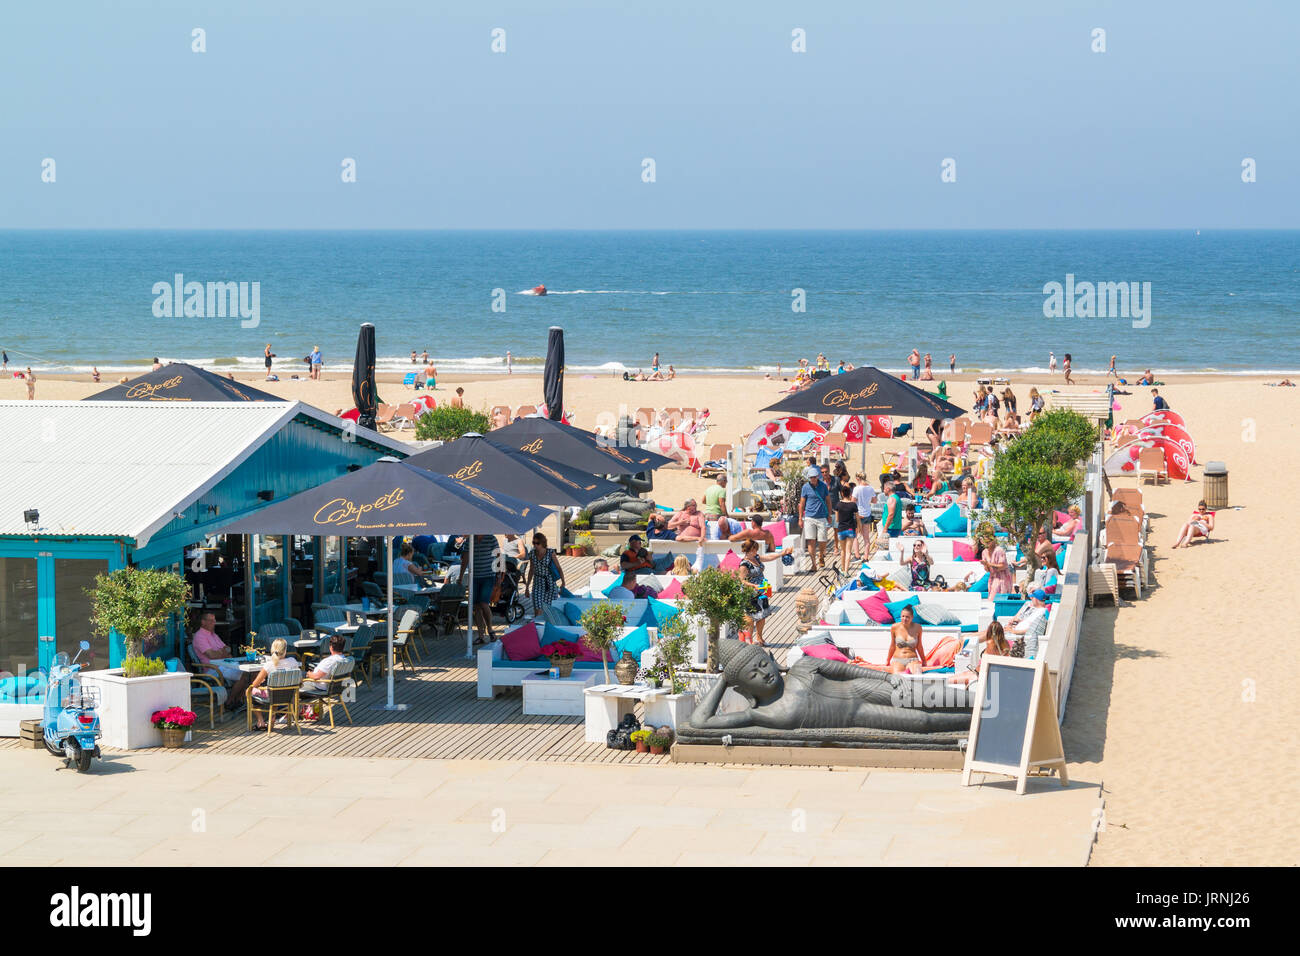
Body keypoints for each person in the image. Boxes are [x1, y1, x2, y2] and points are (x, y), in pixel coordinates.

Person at [191, 611, 254, 714]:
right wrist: (223, 653)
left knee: (250, 673)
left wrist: (221, 652)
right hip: (212, 669)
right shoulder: (200, 636)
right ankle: (230, 702)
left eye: (214, 620)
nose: (214, 623)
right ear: (203, 622)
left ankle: (237, 700)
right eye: (211, 621)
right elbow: (212, 655)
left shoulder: (213, 635)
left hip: (224, 665)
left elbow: (227, 648)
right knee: (246, 674)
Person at [736, 538, 789, 646]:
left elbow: (769, 557)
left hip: (761, 591)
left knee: (762, 615)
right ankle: (749, 642)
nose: (756, 551)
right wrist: (753, 585)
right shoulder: (744, 565)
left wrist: (781, 554)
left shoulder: (756, 558)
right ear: (749, 550)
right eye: (755, 549)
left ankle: (760, 638)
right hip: (750, 594)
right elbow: (741, 580)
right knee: (750, 619)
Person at [246, 638, 300, 728]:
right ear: (285, 650)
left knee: (249, 690)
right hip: (289, 696)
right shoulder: (293, 661)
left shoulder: (269, 665)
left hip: (272, 696)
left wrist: (260, 684)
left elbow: (254, 684)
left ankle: (261, 721)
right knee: (275, 689)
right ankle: (272, 717)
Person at [459, 534, 501, 644]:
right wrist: (461, 576)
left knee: (484, 603)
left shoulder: (491, 538)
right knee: (476, 606)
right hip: (474, 577)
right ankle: (481, 635)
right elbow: (465, 558)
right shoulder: (469, 540)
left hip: (488, 576)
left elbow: (499, 556)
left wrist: (500, 575)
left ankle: (490, 630)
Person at [799, 465, 833, 570]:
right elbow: (802, 503)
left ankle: (821, 556)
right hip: (809, 517)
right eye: (811, 477)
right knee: (811, 541)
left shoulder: (823, 486)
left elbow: (828, 500)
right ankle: (813, 564)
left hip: (822, 516)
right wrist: (800, 518)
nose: (813, 479)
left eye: (814, 477)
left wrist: (829, 515)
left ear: (817, 476)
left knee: (823, 540)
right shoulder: (805, 487)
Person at [523, 532, 564, 615]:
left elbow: (558, 568)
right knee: (537, 609)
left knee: (548, 611)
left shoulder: (550, 553)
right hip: (537, 583)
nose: (535, 545)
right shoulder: (532, 554)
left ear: (542, 543)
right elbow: (531, 570)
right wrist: (527, 587)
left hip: (550, 583)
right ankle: (538, 625)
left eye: (537, 543)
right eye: (534, 543)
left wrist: (563, 582)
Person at [1007, 590, 1049, 658]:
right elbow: (1028, 622)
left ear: (1036, 599)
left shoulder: (1041, 612)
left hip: (1018, 638)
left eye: (1032, 598)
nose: (1031, 599)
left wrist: (1013, 631)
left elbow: (1028, 629)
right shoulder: (1037, 610)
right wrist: (1015, 624)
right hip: (1016, 633)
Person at [886, 605, 926, 675]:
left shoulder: (918, 627)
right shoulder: (894, 627)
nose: (904, 619)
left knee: (916, 676)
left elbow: (919, 646)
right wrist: (888, 660)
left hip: (912, 659)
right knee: (896, 679)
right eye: (903, 616)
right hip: (898, 660)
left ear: (912, 617)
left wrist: (924, 660)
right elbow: (892, 646)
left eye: (907, 617)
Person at [980, 531, 1015, 598]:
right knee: (992, 598)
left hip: (1002, 578)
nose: (988, 542)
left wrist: (988, 564)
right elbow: (987, 570)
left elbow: (1002, 566)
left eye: (989, 540)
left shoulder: (999, 550)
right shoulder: (984, 552)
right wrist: (985, 565)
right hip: (993, 578)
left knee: (995, 599)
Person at [832, 485, 858, 570]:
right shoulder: (853, 505)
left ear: (842, 493)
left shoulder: (838, 505)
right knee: (848, 551)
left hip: (841, 529)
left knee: (842, 551)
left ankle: (843, 569)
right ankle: (846, 570)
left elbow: (837, 519)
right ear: (850, 493)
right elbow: (857, 518)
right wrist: (859, 527)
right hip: (850, 529)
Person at [851, 473, 877, 558]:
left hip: (858, 514)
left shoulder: (856, 489)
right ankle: (866, 557)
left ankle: (857, 555)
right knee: (866, 538)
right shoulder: (870, 488)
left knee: (855, 536)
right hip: (867, 514)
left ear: (858, 478)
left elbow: (852, 502)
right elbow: (874, 501)